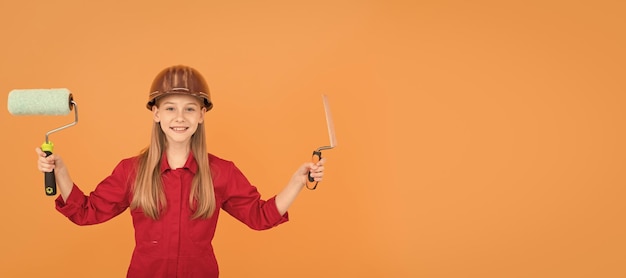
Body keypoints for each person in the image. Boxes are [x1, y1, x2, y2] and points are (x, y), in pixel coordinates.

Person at [35, 65, 326, 278]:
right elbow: (87, 212)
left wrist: (297, 182)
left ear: (201, 115)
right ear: (156, 114)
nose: (179, 117)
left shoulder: (220, 172)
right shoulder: (131, 172)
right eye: (170, 108)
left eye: (189, 109)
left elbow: (260, 216)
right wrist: (61, 171)